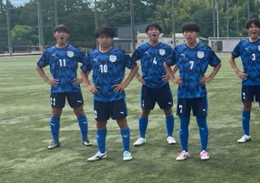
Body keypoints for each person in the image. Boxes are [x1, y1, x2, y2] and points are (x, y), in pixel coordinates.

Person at [164, 22, 221, 161]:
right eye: (186, 32)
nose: (189, 34)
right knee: (183, 123)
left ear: (197, 33)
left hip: (199, 93)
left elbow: (217, 63)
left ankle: (203, 150)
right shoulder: (178, 50)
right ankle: (184, 151)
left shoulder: (205, 49)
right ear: (183, 34)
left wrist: (209, 77)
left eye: (192, 31)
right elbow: (166, 63)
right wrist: (173, 78)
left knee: (202, 122)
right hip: (183, 94)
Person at [80, 26, 139, 161]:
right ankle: (101, 151)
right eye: (102, 37)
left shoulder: (119, 54)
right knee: (100, 123)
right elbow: (83, 70)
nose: (104, 40)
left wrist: (125, 83)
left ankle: (126, 151)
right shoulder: (92, 55)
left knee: (122, 122)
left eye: (107, 37)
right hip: (99, 96)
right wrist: (88, 85)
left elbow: (134, 67)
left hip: (116, 96)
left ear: (111, 38)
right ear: (97, 38)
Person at [36, 24, 92, 149]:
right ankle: (55, 140)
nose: (61, 34)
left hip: (73, 88)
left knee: (80, 112)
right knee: (55, 114)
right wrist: (47, 79)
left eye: (64, 32)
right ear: (54, 34)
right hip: (57, 88)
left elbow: (88, 64)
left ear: (68, 35)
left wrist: (82, 78)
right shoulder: (50, 52)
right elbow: (39, 66)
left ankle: (85, 138)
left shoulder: (75, 51)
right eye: (59, 32)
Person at [229, 18, 260, 144]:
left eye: (256, 26)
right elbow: (231, 58)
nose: (253, 29)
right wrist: (237, 71)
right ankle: (246, 134)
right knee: (246, 105)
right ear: (248, 29)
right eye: (251, 27)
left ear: (259, 29)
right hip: (247, 82)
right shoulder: (242, 44)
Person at [130, 22, 176, 147]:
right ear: (147, 33)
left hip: (163, 85)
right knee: (145, 111)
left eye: (156, 29)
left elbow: (177, 60)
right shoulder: (141, 49)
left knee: (168, 110)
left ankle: (170, 135)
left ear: (159, 33)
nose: (153, 31)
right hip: (147, 85)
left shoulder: (167, 48)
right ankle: (142, 137)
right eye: (151, 29)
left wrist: (170, 75)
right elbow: (131, 63)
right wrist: (138, 76)